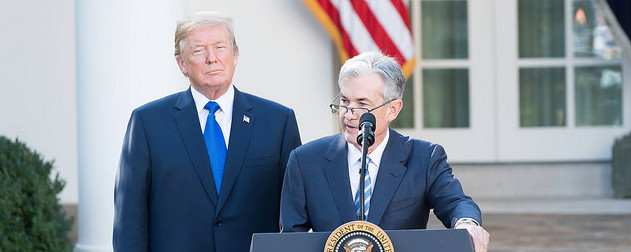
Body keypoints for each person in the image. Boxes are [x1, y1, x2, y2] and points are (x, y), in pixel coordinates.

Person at [113, 11, 301, 252]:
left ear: (234, 55)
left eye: (220, 47)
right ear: (181, 63)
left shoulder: (278, 121)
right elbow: (129, 218)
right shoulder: (147, 123)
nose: (212, 58)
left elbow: (295, 213)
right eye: (199, 50)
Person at [280, 51, 489, 251]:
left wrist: (467, 224)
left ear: (393, 109)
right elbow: (290, 238)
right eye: (344, 102)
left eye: (362, 104)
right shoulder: (305, 160)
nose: (348, 114)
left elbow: (456, 202)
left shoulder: (424, 157)